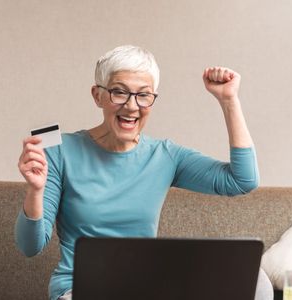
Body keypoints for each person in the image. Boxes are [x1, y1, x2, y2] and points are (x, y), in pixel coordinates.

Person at [15, 45, 273, 300]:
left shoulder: (165, 156)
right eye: (119, 92)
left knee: (257, 282)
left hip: (145, 290)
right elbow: (30, 246)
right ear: (98, 95)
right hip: (78, 291)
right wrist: (35, 190)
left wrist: (229, 101)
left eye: (143, 95)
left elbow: (242, 180)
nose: (131, 106)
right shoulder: (59, 151)